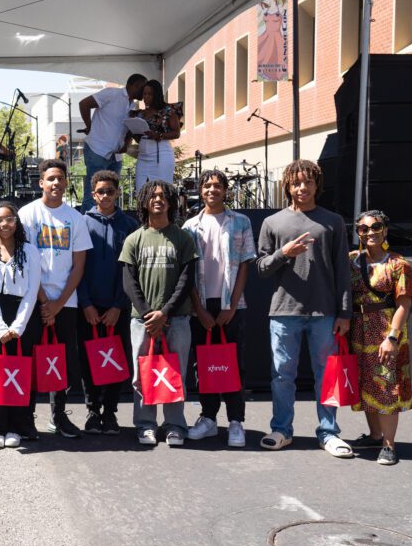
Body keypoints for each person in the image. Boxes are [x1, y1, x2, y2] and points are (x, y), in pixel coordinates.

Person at [257, 159, 352, 458]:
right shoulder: (273, 223)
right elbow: (260, 268)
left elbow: (342, 270)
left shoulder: (333, 221)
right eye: (296, 182)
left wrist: (345, 313)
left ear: (316, 184)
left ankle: (329, 433)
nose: (302, 188)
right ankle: (282, 430)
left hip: (324, 313)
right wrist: (284, 253)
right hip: (284, 313)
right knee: (282, 376)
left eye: (307, 182)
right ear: (287, 185)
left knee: (326, 375)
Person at [17, 159, 92, 438]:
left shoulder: (75, 218)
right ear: (41, 183)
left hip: (65, 301)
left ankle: (59, 416)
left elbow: (79, 265)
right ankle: (26, 418)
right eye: (51, 179)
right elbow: (24, 261)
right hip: (33, 300)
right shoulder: (27, 214)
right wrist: (42, 300)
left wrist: (58, 303)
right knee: (30, 359)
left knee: (59, 360)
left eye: (60, 178)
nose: (56, 183)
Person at [120, 180, 198, 447]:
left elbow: (187, 280)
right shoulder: (134, 238)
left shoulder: (183, 237)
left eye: (163, 197)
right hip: (141, 321)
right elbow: (129, 282)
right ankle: (145, 425)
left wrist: (164, 313)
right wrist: (148, 314)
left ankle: (175, 425)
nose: (158, 200)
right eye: (152, 196)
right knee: (141, 375)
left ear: (171, 202)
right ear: (144, 202)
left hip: (177, 319)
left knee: (176, 372)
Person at [182, 170, 256, 447]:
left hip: (230, 302)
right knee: (204, 363)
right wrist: (199, 309)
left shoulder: (241, 222)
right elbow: (188, 271)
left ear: (225, 190)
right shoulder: (190, 226)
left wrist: (232, 305)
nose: (212, 190)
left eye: (217, 186)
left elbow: (246, 263)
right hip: (201, 303)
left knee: (233, 363)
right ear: (201, 191)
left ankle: (235, 421)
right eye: (207, 186)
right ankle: (209, 418)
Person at [347, 210, 412, 466]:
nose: (370, 232)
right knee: (365, 385)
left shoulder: (398, 264)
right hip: (359, 331)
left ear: (385, 229)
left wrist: (393, 337)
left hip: (386, 330)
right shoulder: (352, 260)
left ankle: (389, 444)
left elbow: (403, 305)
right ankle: (375, 436)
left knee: (386, 386)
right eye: (364, 229)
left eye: (376, 227)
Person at [77, 170, 139, 435]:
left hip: (117, 307)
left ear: (117, 193)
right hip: (89, 307)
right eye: (100, 192)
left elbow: (131, 270)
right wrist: (87, 304)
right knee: (89, 361)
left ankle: (111, 413)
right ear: (93, 195)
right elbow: (76, 268)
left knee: (115, 359)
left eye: (110, 191)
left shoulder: (129, 225)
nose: (105, 196)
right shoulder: (82, 223)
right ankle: (92, 412)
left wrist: (117, 305)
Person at [0, 201, 41, 449]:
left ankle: (16, 426)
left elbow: (32, 292)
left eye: (9, 218)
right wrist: (1, 328)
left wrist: (19, 326)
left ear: (16, 221)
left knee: (20, 375)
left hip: (23, 318)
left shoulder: (30, 252)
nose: (5, 224)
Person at [77, 73, 147, 212]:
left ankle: (105, 226)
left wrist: (126, 143)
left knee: (110, 194)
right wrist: (89, 126)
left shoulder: (132, 105)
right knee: (93, 194)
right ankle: (86, 229)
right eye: (143, 89)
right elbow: (84, 104)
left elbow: (128, 128)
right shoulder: (111, 94)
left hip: (115, 156)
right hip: (97, 150)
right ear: (135, 85)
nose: (145, 93)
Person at [131, 80, 180, 189]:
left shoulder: (168, 111)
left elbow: (176, 133)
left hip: (161, 154)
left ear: (156, 95)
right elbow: (139, 136)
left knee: (162, 190)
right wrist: (133, 130)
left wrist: (159, 135)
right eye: (144, 94)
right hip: (143, 156)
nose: (146, 97)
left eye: (150, 94)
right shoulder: (140, 114)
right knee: (141, 190)